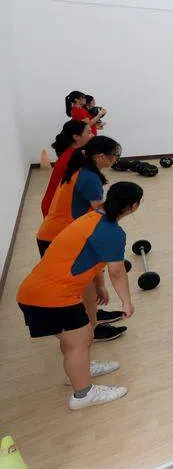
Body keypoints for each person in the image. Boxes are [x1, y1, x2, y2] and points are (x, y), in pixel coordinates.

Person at [17, 181, 142, 410]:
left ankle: (79, 370)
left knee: (75, 340)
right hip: (53, 298)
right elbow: (117, 271)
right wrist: (127, 302)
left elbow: (91, 257)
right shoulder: (113, 232)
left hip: (36, 291)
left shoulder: (90, 218)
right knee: (80, 341)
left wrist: (100, 286)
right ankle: (83, 394)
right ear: (133, 206)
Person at [36, 136, 128, 342]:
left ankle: (91, 315)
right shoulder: (90, 179)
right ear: (100, 156)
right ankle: (88, 331)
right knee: (80, 287)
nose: (116, 159)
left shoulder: (84, 171)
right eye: (115, 156)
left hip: (56, 233)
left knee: (86, 285)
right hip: (57, 237)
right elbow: (101, 216)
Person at [42, 120, 93, 216]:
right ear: (76, 137)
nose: (93, 135)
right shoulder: (73, 158)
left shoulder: (74, 153)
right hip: (56, 208)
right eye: (89, 132)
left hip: (55, 205)